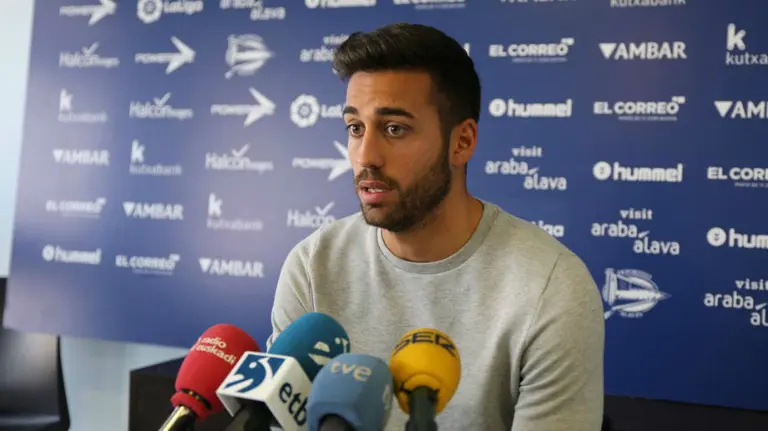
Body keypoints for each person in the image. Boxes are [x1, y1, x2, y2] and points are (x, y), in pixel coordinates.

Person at [267, 22, 605, 430]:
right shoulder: (312, 266)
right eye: (355, 128)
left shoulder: (550, 288)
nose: (366, 156)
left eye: (394, 129)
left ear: (461, 142)